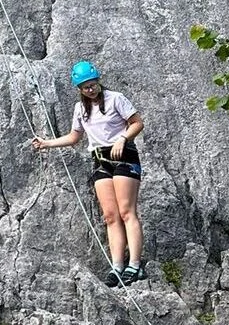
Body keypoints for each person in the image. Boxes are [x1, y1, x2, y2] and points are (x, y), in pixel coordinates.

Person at [32, 61, 146, 287]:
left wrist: (123, 138)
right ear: (79, 89)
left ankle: (134, 264)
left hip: (123, 155)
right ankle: (117, 266)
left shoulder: (116, 99)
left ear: (98, 82)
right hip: (100, 159)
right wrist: (47, 143)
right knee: (111, 216)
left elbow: (137, 123)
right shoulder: (80, 109)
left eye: (93, 85)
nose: (90, 89)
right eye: (85, 87)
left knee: (126, 211)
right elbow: (74, 137)